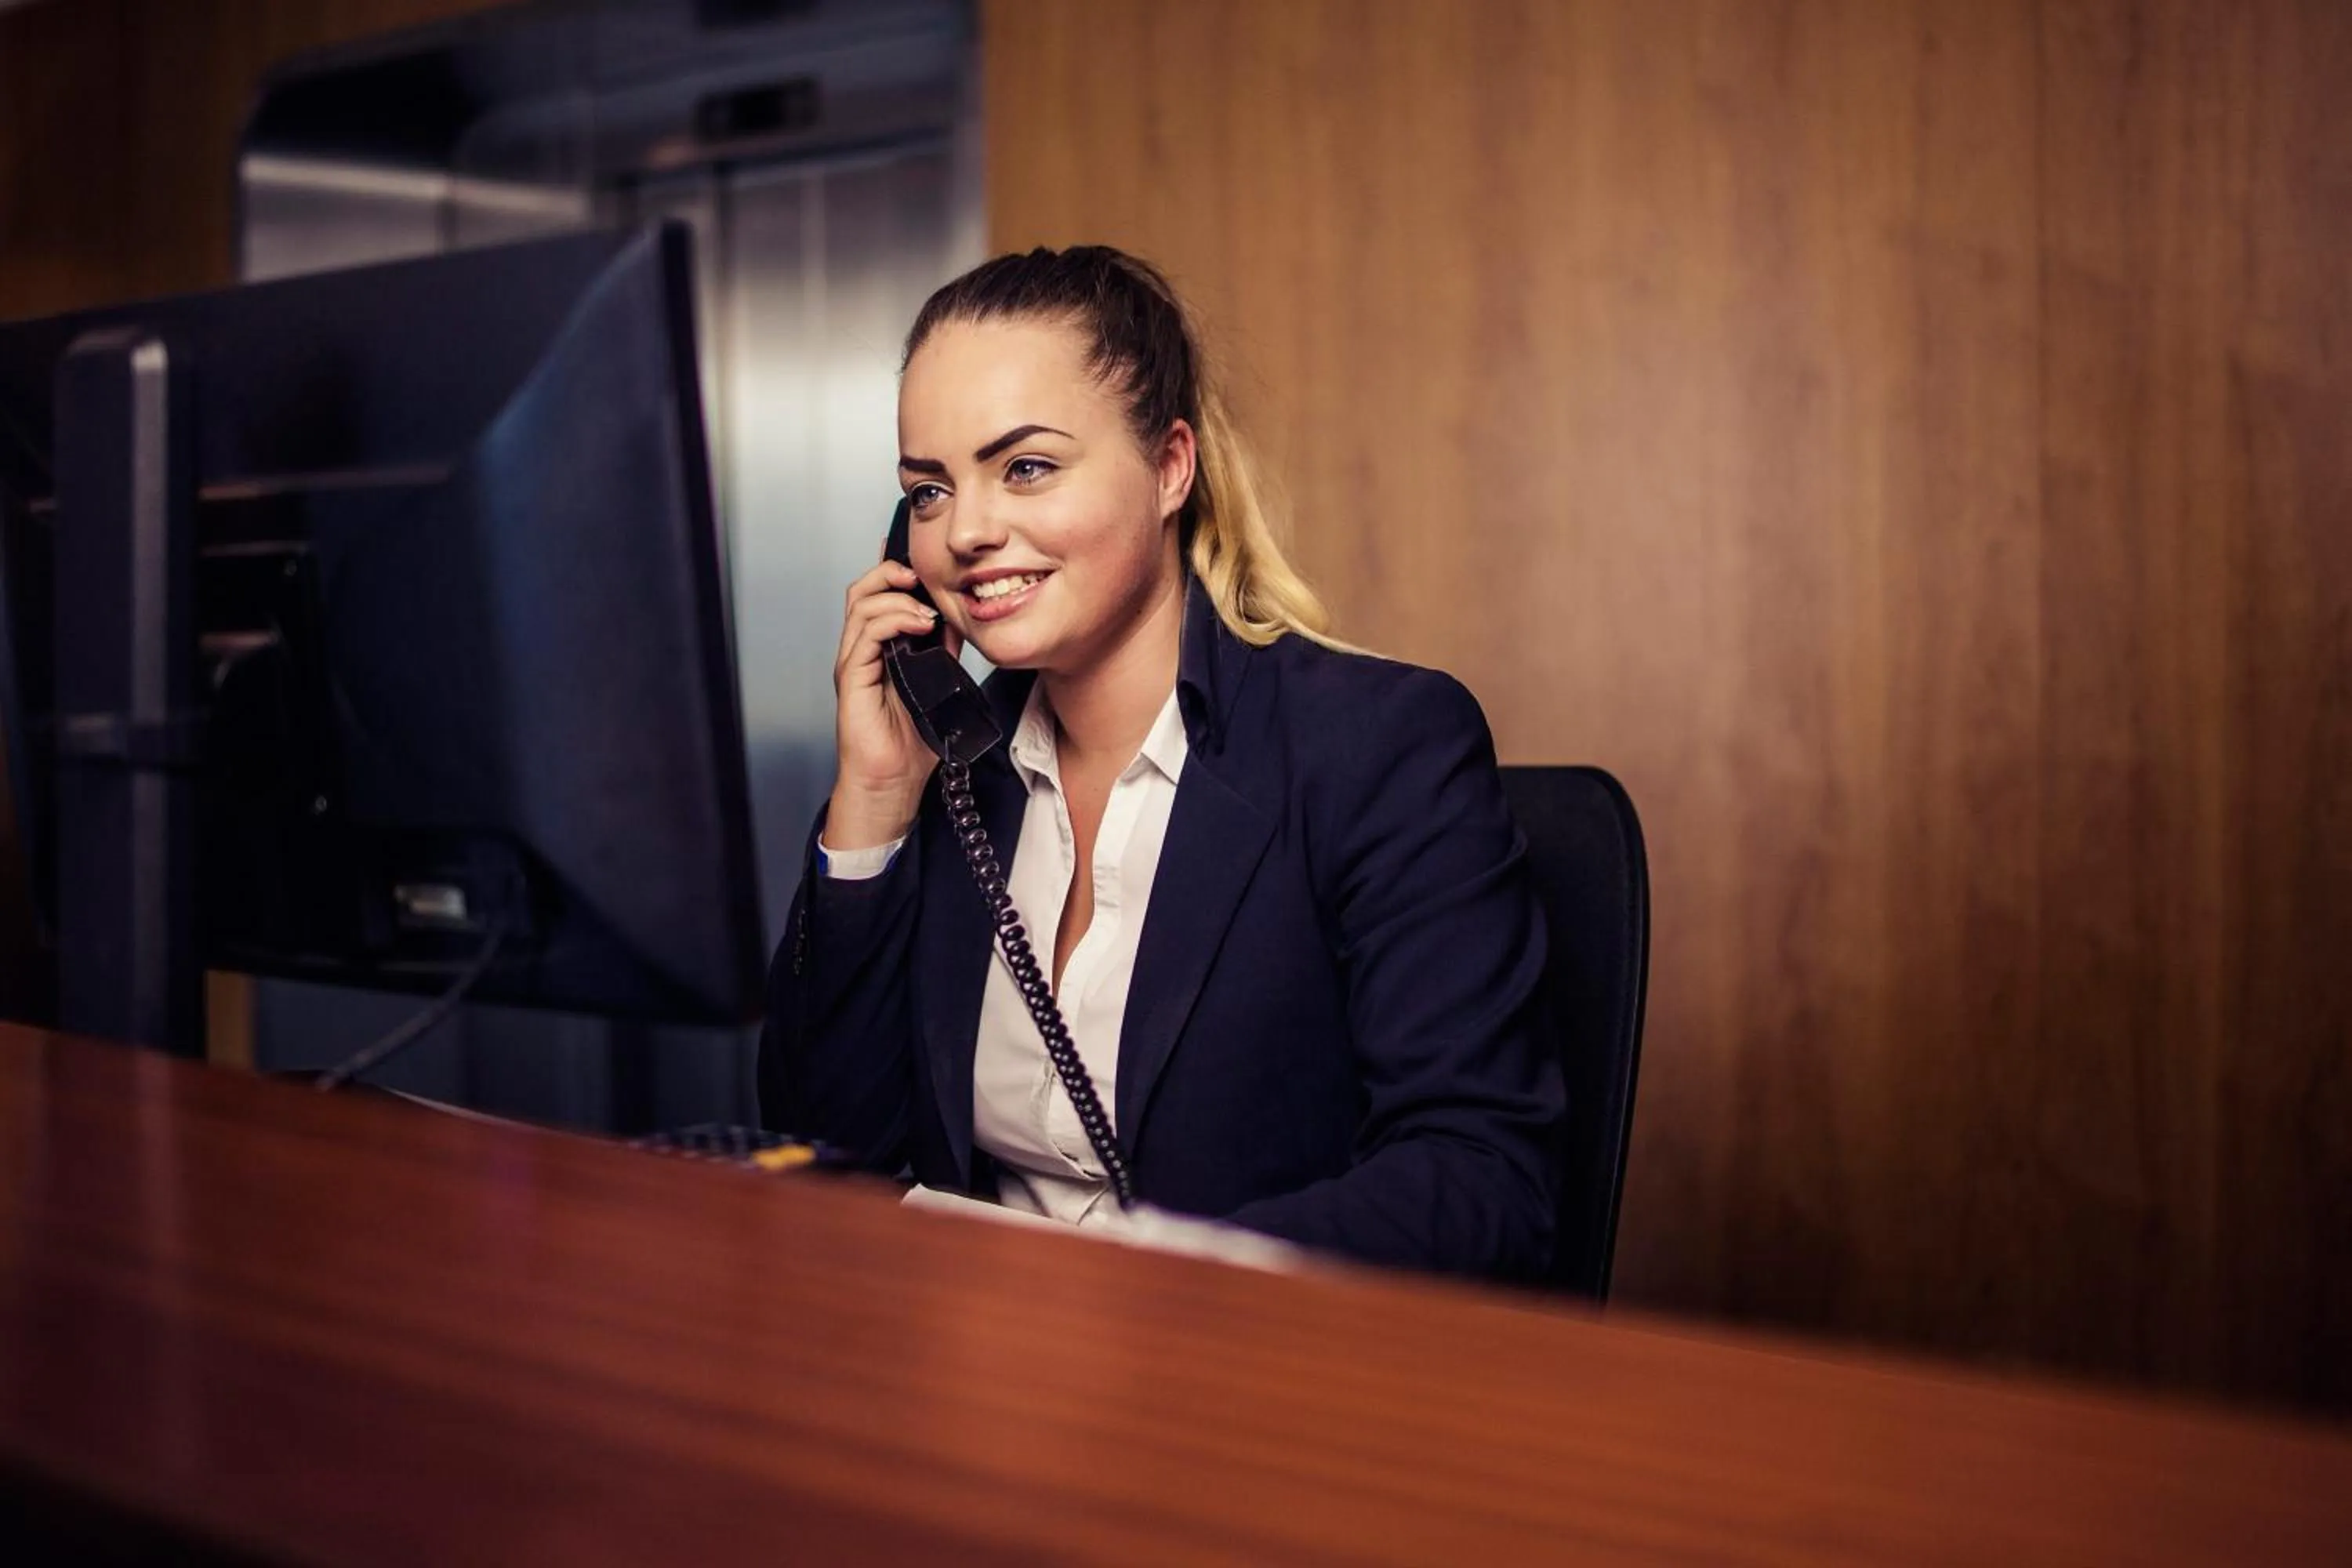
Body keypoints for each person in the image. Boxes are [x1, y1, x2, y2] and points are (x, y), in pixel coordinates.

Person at [758, 246, 1563, 1279]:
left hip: (1240, 1380)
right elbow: (821, 1150)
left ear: (1171, 467)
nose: (965, 531)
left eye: (1027, 468)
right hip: (974, 1369)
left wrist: (1153, 1277)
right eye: (926, 492)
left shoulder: (1380, 748)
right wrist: (873, 803)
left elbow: (1485, 1186)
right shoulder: (958, 774)